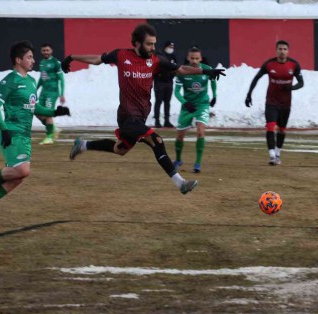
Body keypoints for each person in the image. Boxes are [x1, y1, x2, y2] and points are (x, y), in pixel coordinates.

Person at [61, 23, 225, 195]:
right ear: (137, 43)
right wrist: (72, 57)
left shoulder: (156, 60)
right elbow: (97, 59)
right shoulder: (121, 55)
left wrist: (205, 72)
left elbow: (181, 69)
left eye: (154, 44)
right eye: (149, 44)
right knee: (157, 141)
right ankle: (181, 183)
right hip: (127, 117)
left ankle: (83, 145)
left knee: (120, 150)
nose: (153, 47)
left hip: (140, 118)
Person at [0, 41, 70, 218]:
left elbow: (35, 108)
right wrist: (4, 130)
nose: (33, 60)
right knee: (23, 170)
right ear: (18, 60)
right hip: (11, 133)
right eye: (29, 57)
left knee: (18, 177)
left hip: (25, 135)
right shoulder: (9, 81)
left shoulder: (31, 81)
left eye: (33, 57)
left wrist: (55, 112)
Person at [245, 40, 304, 165]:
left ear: (288, 51)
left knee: (282, 130)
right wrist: (249, 94)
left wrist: (291, 88)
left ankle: (277, 153)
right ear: (276, 50)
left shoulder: (294, 65)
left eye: (284, 49)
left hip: (286, 104)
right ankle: (272, 155)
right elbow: (256, 78)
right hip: (271, 102)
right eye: (280, 49)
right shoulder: (269, 64)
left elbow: (301, 83)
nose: (282, 52)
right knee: (270, 126)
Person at [173, 46, 216, 173]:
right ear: (188, 58)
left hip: (202, 104)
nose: (194, 61)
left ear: (201, 58)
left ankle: (197, 163)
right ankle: (178, 159)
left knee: (200, 131)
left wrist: (215, 96)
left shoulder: (207, 70)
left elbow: (213, 81)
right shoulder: (182, 71)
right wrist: (185, 103)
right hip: (188, 106)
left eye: (197, 58)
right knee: (180, 135)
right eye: (192, 58)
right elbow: (176, 92)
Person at [36, 43, 66, 144]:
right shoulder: (41, 63)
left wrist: (62, 94)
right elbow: (42, 78)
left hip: (52, 93)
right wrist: (34, 90)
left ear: (51, 51)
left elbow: (61, 79)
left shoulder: (56, 63)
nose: (45, 52)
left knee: (48, 113)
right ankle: (54, 128)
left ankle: (49, 137)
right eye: (43, 50)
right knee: (36, 111)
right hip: (43, 92)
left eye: (47, 50)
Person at [153, 40, 177, 128]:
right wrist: (158, 75)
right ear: (165, 47)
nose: (171, 49)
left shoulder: (173, 56)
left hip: (169, 82)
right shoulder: (159, 55)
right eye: (170, 47)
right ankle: (157, 120)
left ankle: (167, 120)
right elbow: (154, 67)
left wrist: (172, 75)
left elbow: (175, 68)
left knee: (167, 102)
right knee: (158, 101)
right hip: (160, 82)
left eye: (172, 47)